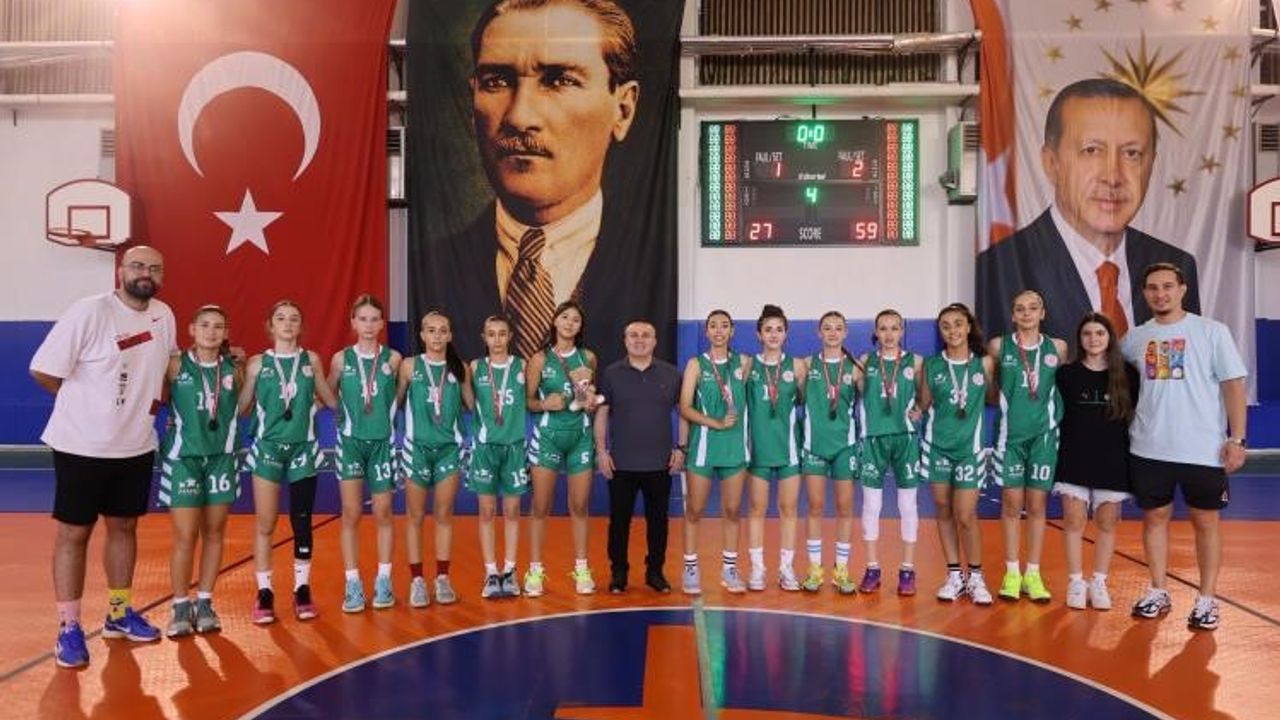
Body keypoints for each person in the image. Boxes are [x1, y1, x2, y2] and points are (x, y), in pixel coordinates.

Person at [423, 0, 667, 363]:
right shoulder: (430, 265)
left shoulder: (658, 266)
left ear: (623, 108)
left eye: (560, 80)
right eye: (496, 82)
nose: (519, 117)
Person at [30, 245, 177, 668]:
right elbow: (44, 369)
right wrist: (84, 406)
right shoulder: (89, 312)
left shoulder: (164, 315)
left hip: (136, 444)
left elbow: (168, 363)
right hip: (82, 446)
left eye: (154, 267)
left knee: (124, 527)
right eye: (137, 266)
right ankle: (69, 627)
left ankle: (118, 613)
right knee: (74, 533)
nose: (145, 273)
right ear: (120, 271)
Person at [976, 77, 1200, 345]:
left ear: (1152, 164)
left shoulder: (1177, 265)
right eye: (1091, 150)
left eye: (1132, 154)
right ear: (1051, 163)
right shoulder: (1000, 268)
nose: (1113, 177)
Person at [1123, 263, 1247, 631]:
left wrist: (1237, 439)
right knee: (1154, 518)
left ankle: (1207, 599)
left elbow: (1233, 386)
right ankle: (1158, 590)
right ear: (1144, 293)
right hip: (1148, 447)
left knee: (1206, 522)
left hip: (1202, 448)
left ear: (1182, 289)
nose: (1160, 294)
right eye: (1152, 288)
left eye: (1167, 286)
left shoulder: (1211, 331)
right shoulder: (1134, 338)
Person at [238, 300, 338, 625]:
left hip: (303, 449)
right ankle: (264, 592)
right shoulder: (257, 363)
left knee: (302, 521)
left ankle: (302, 589)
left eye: (294, 318)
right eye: (281, 318)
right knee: (265, 523)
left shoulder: (311, 360)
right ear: (270, 325)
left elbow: (329, 399)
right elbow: (242, 407)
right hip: (268, 448)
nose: (288, 323)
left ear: (301, 326)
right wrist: (233, 375)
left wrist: (315, 407)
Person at [159, 305, 241, 637]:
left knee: (215, 532)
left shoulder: (236, 368)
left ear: (226, 333)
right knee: (185, 536)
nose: (211, 331)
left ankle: (205, 602)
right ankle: (180, 605)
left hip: (221, 457)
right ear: (192, 329)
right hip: (184, 459)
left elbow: (246, 406)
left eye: (218, 326)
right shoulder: (175, 365)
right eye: (204, 325)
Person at [987, 290, 1068, 604]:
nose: (1026, 313)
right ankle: (1012, 572)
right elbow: (991, 388)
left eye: (1033, 308)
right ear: (1012, 315)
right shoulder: (999, 346)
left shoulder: (1057, 348)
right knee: (1011, 504)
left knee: (1036, 505)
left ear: (1042, 313)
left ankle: (1032, 573)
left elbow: (1061, 386)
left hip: (1044, 437)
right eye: (1020, 308)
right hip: (1009, 437)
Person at [1055, 313, 1138, 611]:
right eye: (1087, 333)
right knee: (1073, 520)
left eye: (1099, 333)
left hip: (1112, 457)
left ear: (1109, 337)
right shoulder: (1066, 374)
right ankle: (1076, 581)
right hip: (1073, 456)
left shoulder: (1127, 374)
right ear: (1080, 339)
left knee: (1106, 522)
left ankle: (1099, 581)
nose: (1093, 339)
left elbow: (1136, 415)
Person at [595, 319, 685, 594]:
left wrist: (681, 448)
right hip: (621, 463)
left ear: (655, 341)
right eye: (633, 335)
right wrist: (601, 451)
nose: (639, 339)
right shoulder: (611, 373)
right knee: (619, 522)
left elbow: (684, 413)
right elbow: (601, 413)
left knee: (658, 522)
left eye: (646, 335)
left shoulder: (671, 374)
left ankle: (655, 572)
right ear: (625, 340)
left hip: (660, 463)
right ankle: (618, 573)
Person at [919, 303, 996, 606]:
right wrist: (913, 411)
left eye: (958, 324)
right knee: (943, 509)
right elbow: (924, 404)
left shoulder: (984, 364)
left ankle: (976, 576)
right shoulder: (931, 365)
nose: (952, 330)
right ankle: (954, 575)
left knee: (965, 514)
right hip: (937, 447)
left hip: (969, 450)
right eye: (946, 326)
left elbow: (992, 398)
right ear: (940, 331)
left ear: (968, 327)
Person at [329, 296, 402, 612]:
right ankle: (353, 583)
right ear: (353, 323)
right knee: (351, 513)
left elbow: (399, 396)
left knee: (384, 512)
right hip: (350, 444)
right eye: (363, 319)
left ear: (382, 323)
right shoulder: (340, 360)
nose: (369, 325)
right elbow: (327, 392)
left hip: (382, 443)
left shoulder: (394, 359)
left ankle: (384, 579)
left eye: (374, 319)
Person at [525, 301, 602, 596]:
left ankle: (582, 569)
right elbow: (528, 401)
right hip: (548, 436)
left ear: (581, 327)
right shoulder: (539, 360)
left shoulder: (588, 358)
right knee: (541, 506)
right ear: (555, 321)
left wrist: (589, 400)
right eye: (565, 317)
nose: (570, 323)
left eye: (576, 320)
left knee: (580, 505)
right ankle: (535, 572)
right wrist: (544, 403)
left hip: (579, 436)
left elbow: (588, 398)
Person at [397, 311, 473, 607]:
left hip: (448, 450)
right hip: (416, 449)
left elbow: (472, 404)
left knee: (443, 515)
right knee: (415, 516)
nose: (437, 336)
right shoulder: (409, 366)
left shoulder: (459, 368)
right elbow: (396, 401)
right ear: (422, 335)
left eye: (443, 330)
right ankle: (417, 580)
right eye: (431, 330)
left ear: (450, 335)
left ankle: (442, 577)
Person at [679, 310, 752, 595]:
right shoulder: (695, 364)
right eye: (713, 326)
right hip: (704, 447)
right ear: (706, 332)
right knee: (694, 509)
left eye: (724, 326)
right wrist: (715, 423)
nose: (719, 331)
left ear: (732, 331)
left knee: (732, 511)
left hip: (735, 447)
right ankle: (690, 567)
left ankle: (729, 569)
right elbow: (685, 407)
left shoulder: (743, 363)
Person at [855, 309, 924, 596]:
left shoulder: (915, 362)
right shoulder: (865, 361)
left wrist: (921, 407)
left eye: (894, 328)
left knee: (908, 505)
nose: (889, 334)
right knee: (872, 505)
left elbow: (927, 392)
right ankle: (872, 567)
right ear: (876, 331)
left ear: (902, 331)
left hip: (905, 438)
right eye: (883, 328)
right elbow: (855, 392)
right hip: (873, 439)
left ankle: (907, 570)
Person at [468, 315, 531, 599]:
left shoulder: (522, 366)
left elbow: (533, 398)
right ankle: (491, 572)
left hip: (514, 447)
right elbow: (466, 401)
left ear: (510, 336)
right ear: (484, 337)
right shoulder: (475, 367)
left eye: (502, 333)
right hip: (485, 449)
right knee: (486, 511)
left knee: (513, 510)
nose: (497, 339)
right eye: (491, 334)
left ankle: (510, 570)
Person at [744, 305, 805, 592]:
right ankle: (757, 569)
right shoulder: (748, 366)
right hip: (758, 448)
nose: (773, 334)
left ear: (786, 333)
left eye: (779, 329)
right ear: (759, 334)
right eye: (768, 329)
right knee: (757, 509)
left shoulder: (797, 366)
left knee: (788, 509)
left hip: (788, 447)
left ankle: (786, 568)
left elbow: (805, 401)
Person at [799, 311, 860, 595]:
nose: (833, 333)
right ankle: (815, 569)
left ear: (845, 332)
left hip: (845, 446)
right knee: (815, 506)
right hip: (814, 445)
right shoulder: (806, 365)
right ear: (818, 332)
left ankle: (841, 570)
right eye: (827, 328)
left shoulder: (856, 368)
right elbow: (797, 397)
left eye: (838, 328)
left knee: (845, 509)